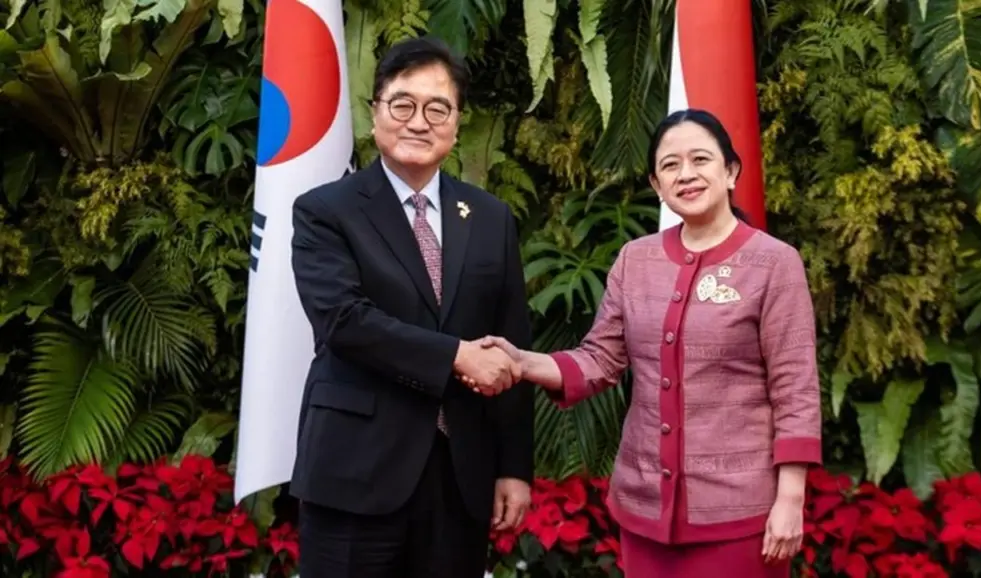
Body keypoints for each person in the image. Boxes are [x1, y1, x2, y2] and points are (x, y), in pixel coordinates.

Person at [472, 109, 822, 575]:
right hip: (644, 512)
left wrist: (790, 499)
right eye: (670, 165)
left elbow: (795, 390)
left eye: (700, 159)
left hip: (739, 517)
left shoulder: (774, 263)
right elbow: (601, 358)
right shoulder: (635, 260)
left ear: (731, 171)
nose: (686, 174)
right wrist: (521, 361)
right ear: (657, 185)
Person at [288, 36, 534, 578]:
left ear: (457, 123)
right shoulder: (325, 211)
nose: (419, 122)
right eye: (402, 105)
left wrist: (514, 467)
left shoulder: (490, 218)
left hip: (460, 477)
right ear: (375, 112)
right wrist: (456, 356)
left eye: (437, 108)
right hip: (356, 471)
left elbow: (510, 344)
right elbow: (344, 321)